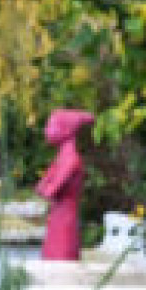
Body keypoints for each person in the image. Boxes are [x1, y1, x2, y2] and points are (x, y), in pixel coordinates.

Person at [35, 108, 94, 261]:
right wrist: (46, 184)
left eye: (51, 126)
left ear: (66, 130)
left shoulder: (70, 160)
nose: (47, 130)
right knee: (51, 261)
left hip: (65, 222)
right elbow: (40, 188)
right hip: (57, 218)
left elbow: (49, 191)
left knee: (61, 263)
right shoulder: (61, 159)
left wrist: (47, 184)